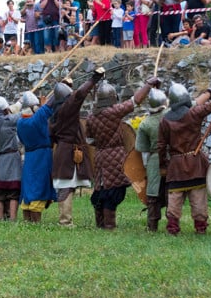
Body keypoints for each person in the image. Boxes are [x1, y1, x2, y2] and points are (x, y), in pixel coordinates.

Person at [158, 81, 211, 236]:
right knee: (198, 197)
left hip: (176, 166)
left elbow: (160, 146)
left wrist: (164, 164)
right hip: (195, 164)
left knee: (175, 198)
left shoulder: (165, 120)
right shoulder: (193, 113)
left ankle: (173, 228)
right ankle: (200, 228)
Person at [86, 76, 158, 229]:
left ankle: (100, 224)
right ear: (112, 97)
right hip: (115, 158)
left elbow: (90, 141)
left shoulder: (91, 117)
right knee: (112, 193)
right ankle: (109, 225)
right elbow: (134, 101)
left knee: (100, 189)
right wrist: (148, 84)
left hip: (100, 157)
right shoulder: (114, 112)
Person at [50, 70, 103, 226]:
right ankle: (65, 221)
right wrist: (93, 79)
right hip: (68, 152)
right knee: (66, 185)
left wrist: (67, 85)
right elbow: (79, 95)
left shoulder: (56, 111)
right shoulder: (67, 109)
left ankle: (66, 219)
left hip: (63, 150)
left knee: (68, 184)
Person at [16, 90, 58, 223]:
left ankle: (27, 221)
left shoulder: (20, 122)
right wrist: (60, 87)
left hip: (29, 157)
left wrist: (41, 106)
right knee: (39, 185)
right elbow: (51, 103)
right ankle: (35, 223)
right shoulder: (37, 118)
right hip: (41, 157)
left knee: (29, 186)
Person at [0, 95, 24, 221]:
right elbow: (23, 115)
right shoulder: (7, 121)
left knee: (1, 191)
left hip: (1, 158)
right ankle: (12, 219)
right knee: (13, 191)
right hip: (12, 157)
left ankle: (0, 218)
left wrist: (19, 102)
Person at [135, 88, 168, 231]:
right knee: (172, 191)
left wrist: (146, 166)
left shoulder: (145, 123)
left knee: (153, 194)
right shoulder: (170, 115)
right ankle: (173, 225)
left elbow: (144, 150)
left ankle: (152, 225)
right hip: (171, 157)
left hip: (154, 159)